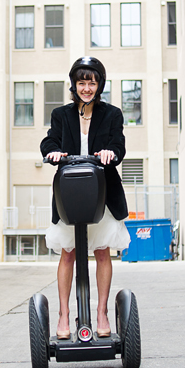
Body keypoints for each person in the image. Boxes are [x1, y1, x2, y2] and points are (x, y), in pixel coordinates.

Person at [40, 57, 130, 340]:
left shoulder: (112, 114)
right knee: (69, 253)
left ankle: (101, 312)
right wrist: (54, 153)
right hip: (71, 192)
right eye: (82, 82)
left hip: (101, 191)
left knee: (102, 251)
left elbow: (118, 145)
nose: (87, 88)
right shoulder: (61, 115)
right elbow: (49, 141)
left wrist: (109, 153)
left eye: (92, 82)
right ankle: (64, 315)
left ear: (99, 84)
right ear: (74, 85)